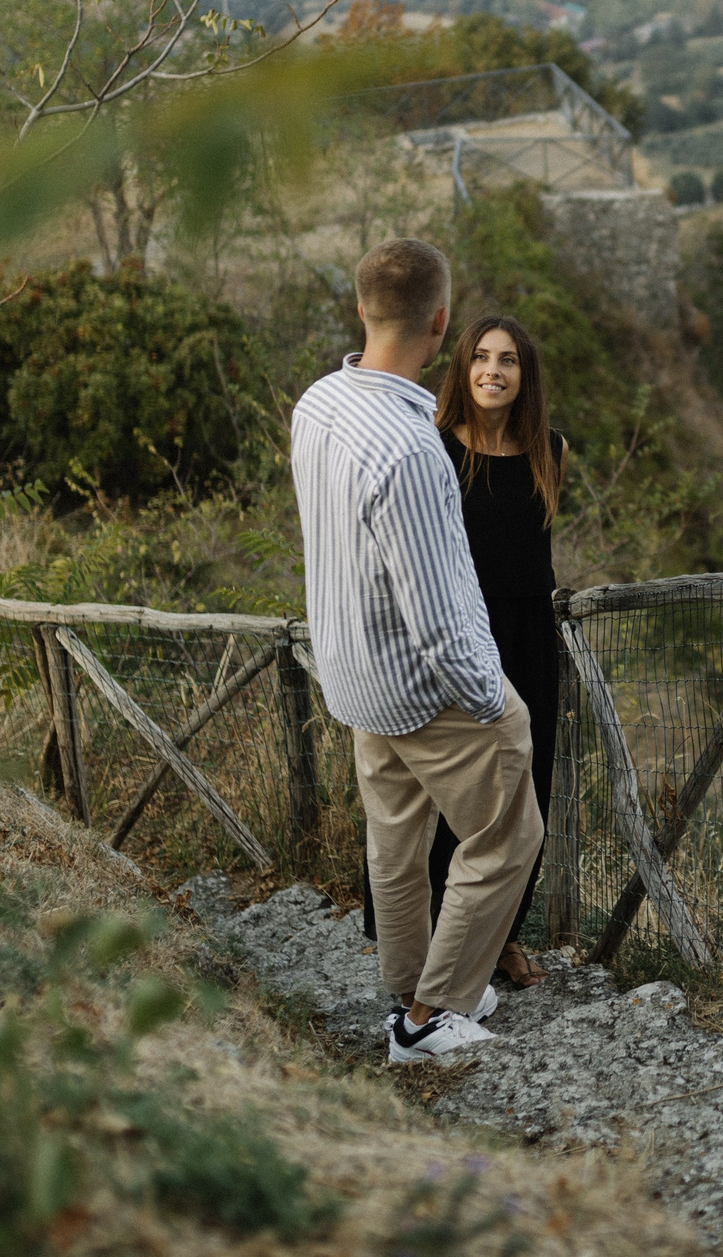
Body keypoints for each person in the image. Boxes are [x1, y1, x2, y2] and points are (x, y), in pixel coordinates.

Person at [291, 237, 542, 1064]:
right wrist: (493, 698)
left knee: (396, 841)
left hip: (355, 674)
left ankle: (408, 990)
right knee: (508, 835)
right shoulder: (411, 448)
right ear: (441, 322)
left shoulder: (317, 403)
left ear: (361, 309)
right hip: (424, 685)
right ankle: (431, 1015)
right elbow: (436, 614)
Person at [359, 313, 565, 990]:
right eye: (480, 357)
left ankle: (500, 939)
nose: (492, 371)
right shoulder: (433, 446)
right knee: (445, 795)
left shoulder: (552, 450)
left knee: (524, 791)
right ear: (461, 366)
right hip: (454, 637)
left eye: (507, 360)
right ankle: (425, 946)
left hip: (529, 636)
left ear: (525, 376)